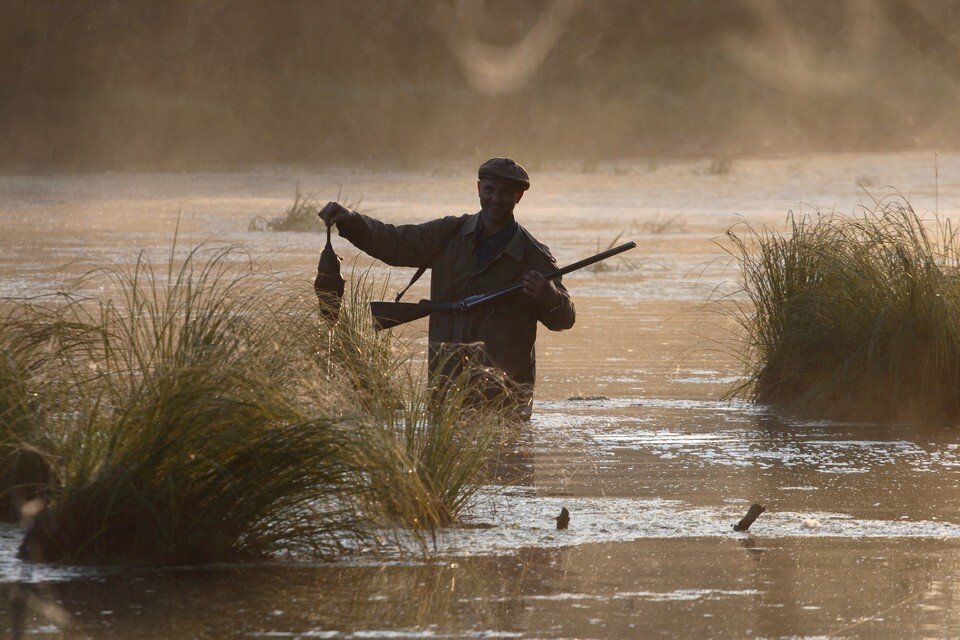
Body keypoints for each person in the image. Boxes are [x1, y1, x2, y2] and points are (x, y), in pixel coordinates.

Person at [318, 157, 575, 418]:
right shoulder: (448, 233)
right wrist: (351, 220)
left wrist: (549, 296)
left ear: (518, 196)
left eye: (506, 192)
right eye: (490, 189)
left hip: (506, 401)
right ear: (478, 189)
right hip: (447, 390)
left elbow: (564, 319)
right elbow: (394, 243)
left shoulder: (534, 256)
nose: (496, 198)